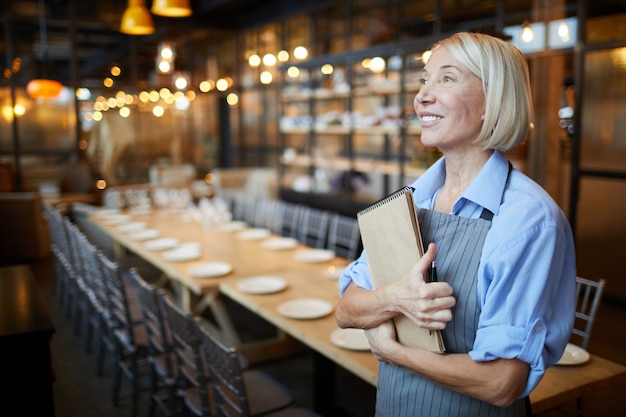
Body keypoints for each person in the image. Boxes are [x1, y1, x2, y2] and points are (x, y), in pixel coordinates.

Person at [335, 32, 576, 417]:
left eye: (447, 78)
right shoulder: (413, 199)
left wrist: (393, 350)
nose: (422, 96)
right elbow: (347, 309)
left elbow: (501, 382)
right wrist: (397, 298)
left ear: (492, 100)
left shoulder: (528, 221)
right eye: (424, 80)